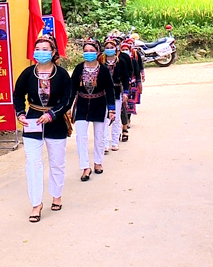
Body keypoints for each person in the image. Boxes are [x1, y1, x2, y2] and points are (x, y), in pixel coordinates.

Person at [13, 35, 72, 223]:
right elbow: (18, 95)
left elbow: (67, 100)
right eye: (38, 48)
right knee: (33, 163)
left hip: (55, 122)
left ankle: (56, 194)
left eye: (46, 49)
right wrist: (20, 113)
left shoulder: (61, 74)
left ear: (53, 52)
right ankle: (36, 204)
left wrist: (52, 114)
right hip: (32, 121)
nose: (41, 52)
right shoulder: (28, 73)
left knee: (57, 162)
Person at [70, 39, 115, 181]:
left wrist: (112, 109)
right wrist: (68, 108)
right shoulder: (78, 68)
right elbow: (72, 89)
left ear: (97, 53)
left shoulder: (103, 70)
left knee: (99, 136)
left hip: (99, 105)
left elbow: (110, 90)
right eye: (86, 51)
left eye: (91, 51)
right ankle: (85, 167)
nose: (88, 53)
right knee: (81, 137)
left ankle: (98, 162)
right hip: (82, 105)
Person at [100, 37, 129, 153]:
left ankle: (115, 142)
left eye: (111, 48)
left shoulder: (121, 62)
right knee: (105, 119)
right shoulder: (101, 62)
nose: (109, 50)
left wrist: (126, 92)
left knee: (116, 118)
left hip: (117, 92)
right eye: (107, 48)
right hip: (103, 94)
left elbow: (126, 78)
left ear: (116, 48)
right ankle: (105, 143)